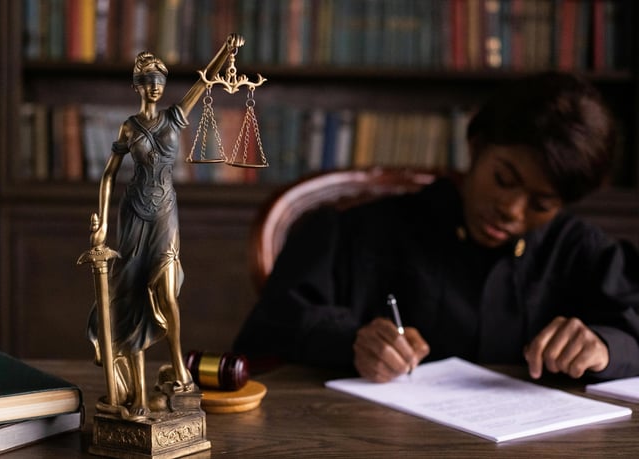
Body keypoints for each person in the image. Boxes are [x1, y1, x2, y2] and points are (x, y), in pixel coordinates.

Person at [233, 71, 639, 383]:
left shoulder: (582, 251)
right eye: (503, 179)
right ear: (477, 146)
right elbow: (267, 330)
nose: (511, 210)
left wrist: (604, 346)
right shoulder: (358, 231)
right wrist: (352, 340)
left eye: (541, 204)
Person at [86, 34, 244, 417]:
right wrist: (102, 225)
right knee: (134, 299)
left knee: (167, 292)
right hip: (133, 216)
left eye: (160, 80)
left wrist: (228, 51)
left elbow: (206, 80)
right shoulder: (128, 127)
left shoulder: (176, 115)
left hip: (165, 214)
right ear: (136, 86)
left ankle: (178, 367)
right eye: (147, 81)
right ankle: (138, 394)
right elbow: (109, 175)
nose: (155, 86)